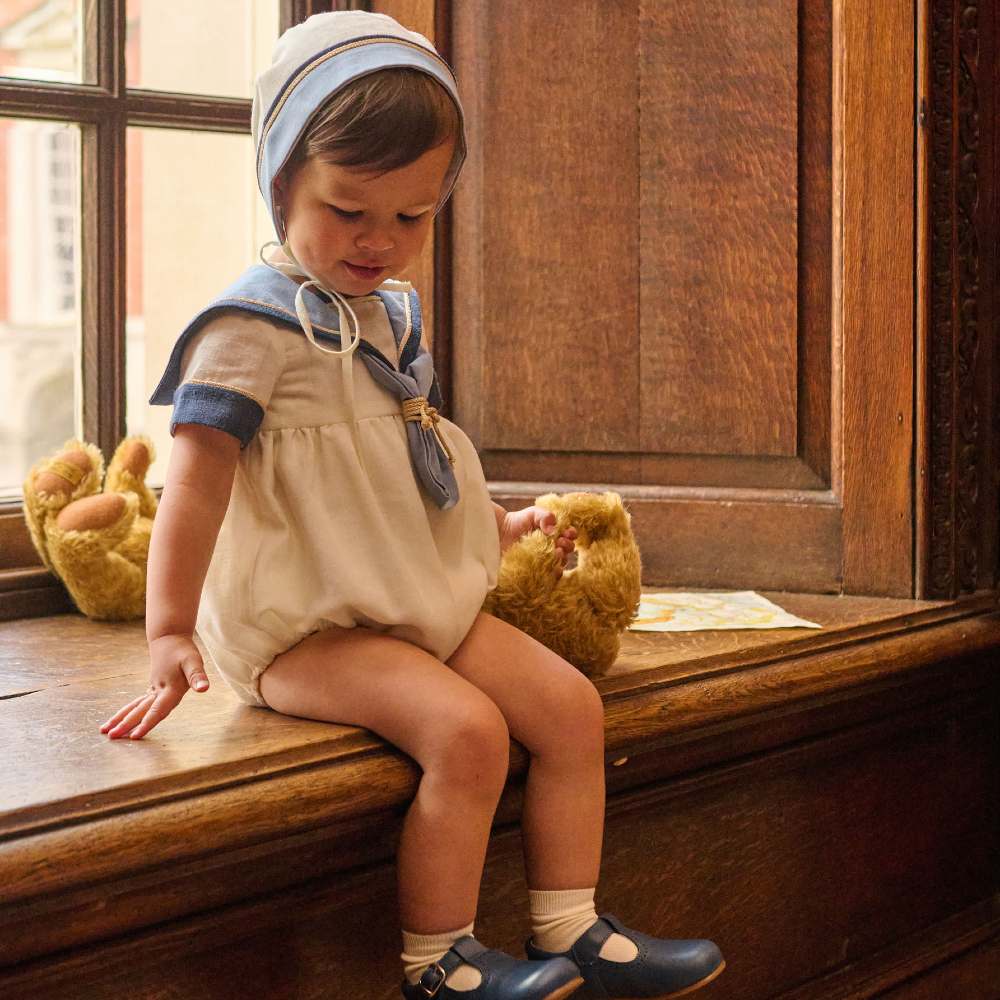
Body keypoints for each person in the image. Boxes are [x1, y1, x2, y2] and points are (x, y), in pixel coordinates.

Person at [100, 12, 725, 999]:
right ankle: (438, 959)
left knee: (567, 706)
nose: (377, 240)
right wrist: (170, 626)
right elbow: (195, 480)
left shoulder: (383, 317)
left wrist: (494, 528)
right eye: (349, 208)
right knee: (468, 733)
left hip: (409, 596)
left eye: (411, 216)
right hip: (307, 627)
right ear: (278, 180)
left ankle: (571, 928)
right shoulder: (248, 328)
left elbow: (399, 464)